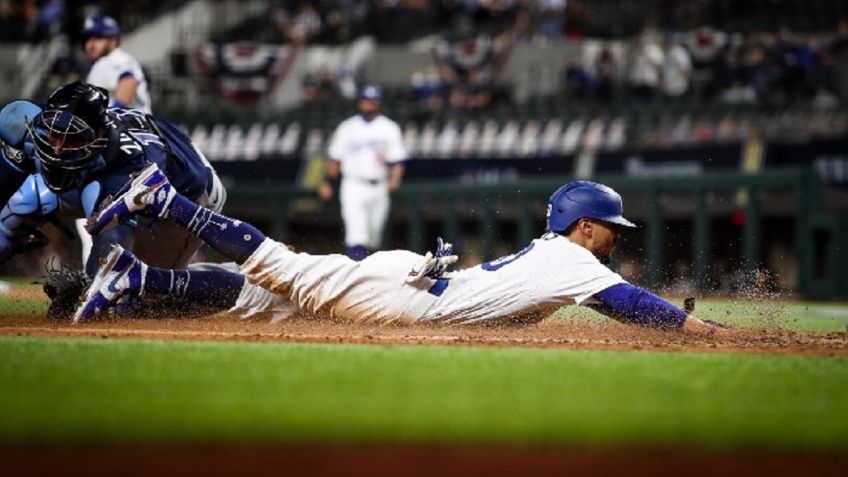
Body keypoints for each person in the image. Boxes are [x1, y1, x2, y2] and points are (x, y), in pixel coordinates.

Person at [75, 165, 729, 338]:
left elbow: (616, 301)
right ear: (586, 226)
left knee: (260, 299)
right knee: (277, 265)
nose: (617, 236)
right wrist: (702, 330)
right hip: (401, 297)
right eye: (613, 227)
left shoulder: (559, 254)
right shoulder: (574, 261)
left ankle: (133, 276)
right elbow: (633, 304)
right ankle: (164, 198)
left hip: (408, 283)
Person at [7, 81, 224, 276]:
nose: (58, 148)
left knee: (151, 294)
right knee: (27, 198)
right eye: (55, 132)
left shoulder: (127, 168)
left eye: (71, 137)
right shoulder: (57, 120)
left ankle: (235, 282)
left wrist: (87, 289)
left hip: (188, 192)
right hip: (135, 171)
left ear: (97, 136)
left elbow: (109, 242)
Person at [318, 84, 407, 261]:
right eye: (366, 100)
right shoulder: (347, 127)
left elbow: (397, 161)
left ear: (379, 103)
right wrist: (327, 181)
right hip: (353, 184)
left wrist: (394, 179)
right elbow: (335, 159)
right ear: (359, 102)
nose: (369, 104)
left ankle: (369, 272)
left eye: (373, 101)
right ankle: (357, 271)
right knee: (356, 234)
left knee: (374, 236)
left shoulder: (389, 127)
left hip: (379, 185)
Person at [82, 13, 151, 113]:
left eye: (98, 37)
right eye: (87, 38)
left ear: (113, 40)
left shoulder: (116, 58)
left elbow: (129, 81)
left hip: (130, 122)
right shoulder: (103, 63)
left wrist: (114, 109)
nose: (90, 44)